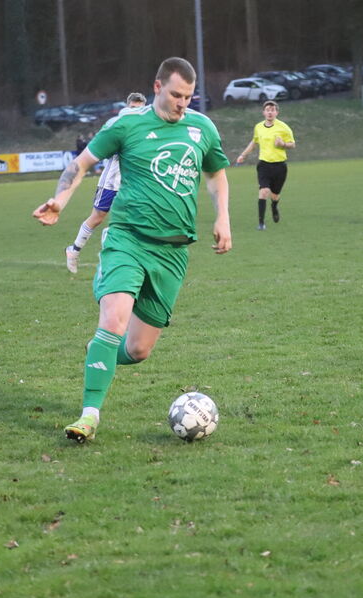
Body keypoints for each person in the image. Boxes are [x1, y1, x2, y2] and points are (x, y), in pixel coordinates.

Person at [32, 57, 231, 443]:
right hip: (128, 239)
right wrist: (59, 200)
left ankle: (99, 355)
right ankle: (89, 415)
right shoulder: (127, 125)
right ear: (157, 87)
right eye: (176, 94)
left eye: (189, 97)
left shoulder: (201, 127)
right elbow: (82, 162)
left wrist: (222, 217)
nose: (182, 104)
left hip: (173, 253)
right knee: (114, 320)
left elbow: (217, 175)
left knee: (138, 350)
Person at [65, 92, 147, 273]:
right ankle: (74, 250)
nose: (135, 112)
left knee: (136, 219)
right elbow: (105, 151)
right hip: (111, 182)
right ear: (127, 107)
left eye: (139, 109)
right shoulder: (117, 126)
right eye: (132, 108)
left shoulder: (146, 129)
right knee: (97, 218)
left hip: (132, 184)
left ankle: (118, 250)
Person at [235, 100, 296, 231]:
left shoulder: (284, 127)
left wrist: (283, 145)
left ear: (276, 112)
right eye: (267, 109)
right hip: (264, 165)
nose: (270, 112)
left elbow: (292, 144)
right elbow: (254, 142)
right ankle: (261, 223)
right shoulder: (258, 127)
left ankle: (274, 206)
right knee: (263, 192)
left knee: (275, 195)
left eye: (272, 110)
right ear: (263, 112)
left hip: (280, 166)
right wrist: (243, 155)